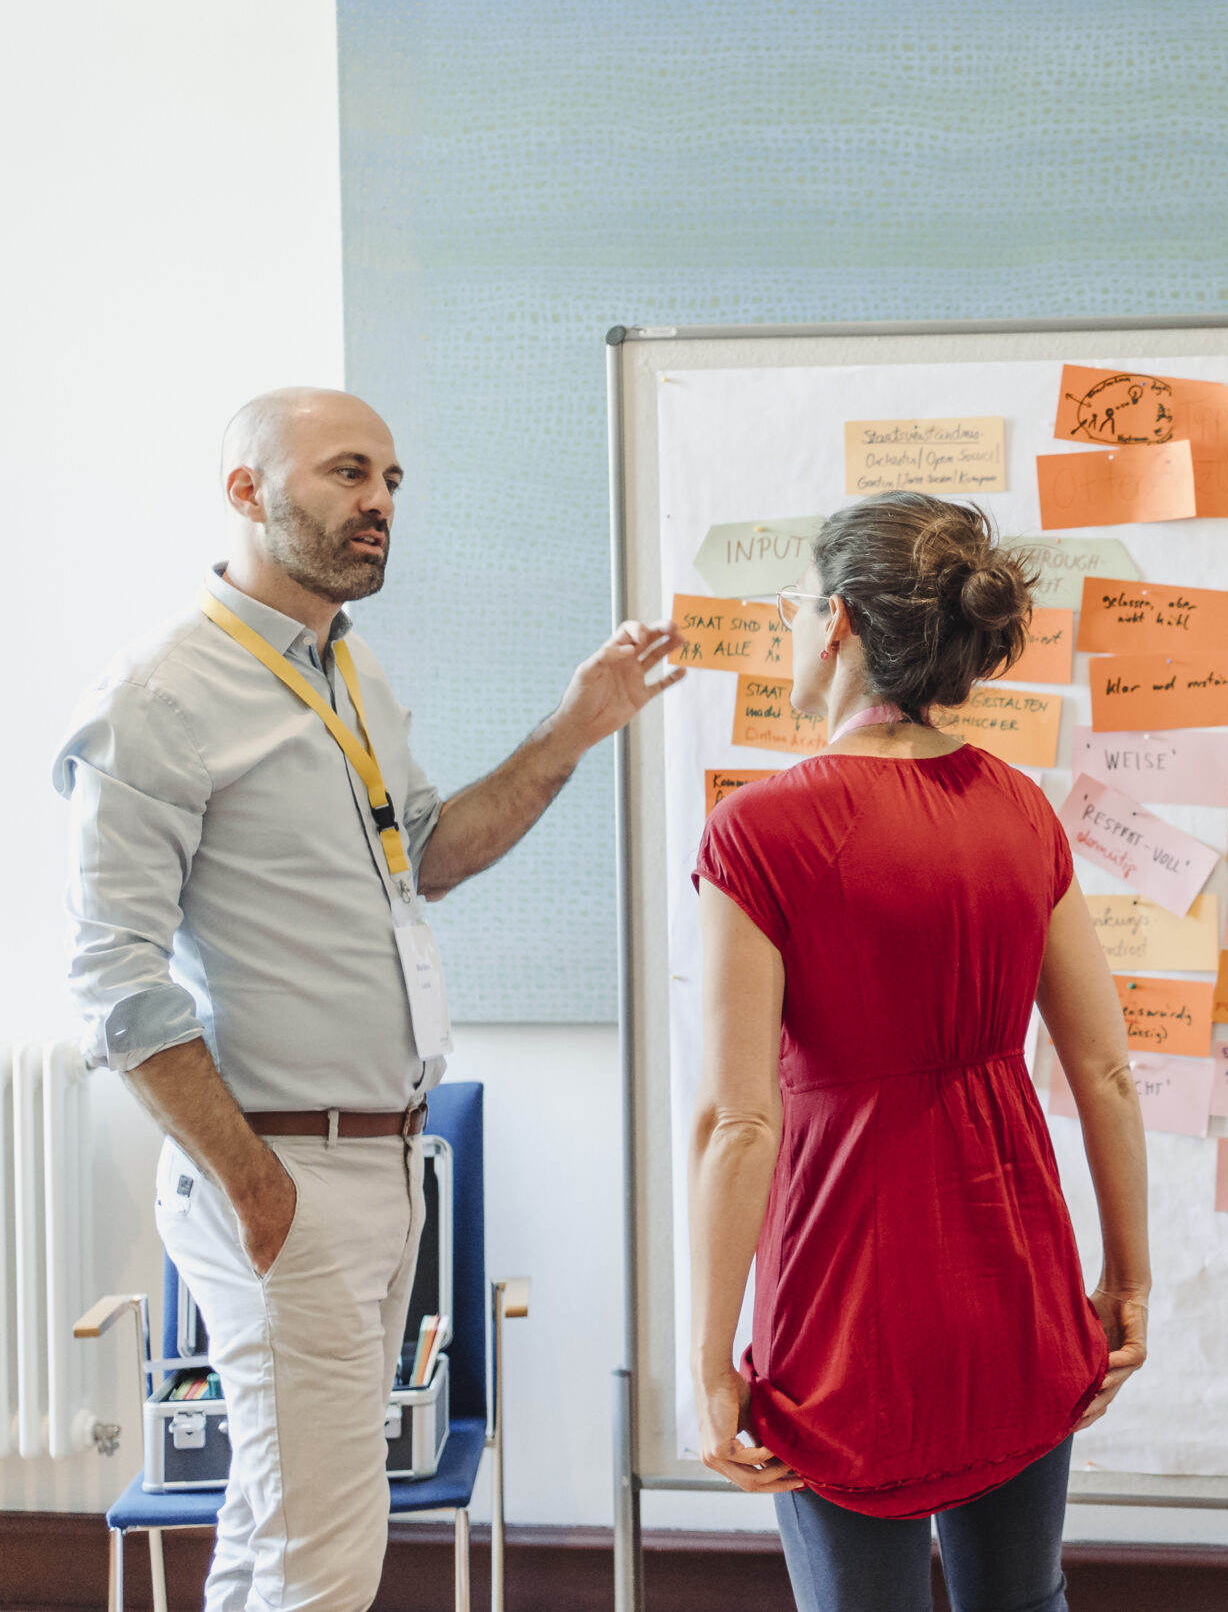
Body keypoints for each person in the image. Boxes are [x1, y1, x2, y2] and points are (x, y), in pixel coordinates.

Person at [57, 387, 685, 1612]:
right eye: (349, 474)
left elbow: (432, 854)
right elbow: (112, 978)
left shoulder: (346, 672)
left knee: (277, 1535)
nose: (380, 504)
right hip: (287, 1175)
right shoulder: (159, 700)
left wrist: (572, 728)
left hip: (383, 1172)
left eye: (393, 481)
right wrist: (257, 1187)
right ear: (246, 491)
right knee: (321, 1563)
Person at [688, 491, 1150, 1612]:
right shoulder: (1020, 812)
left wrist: (708, 1368)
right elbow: (1107, 1072)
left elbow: (739, 1123)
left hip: (845, 1314)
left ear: (839, 622)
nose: (797, 628)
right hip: (1017, 1291)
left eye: (800, 608)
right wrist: (1127, 1276)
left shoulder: (760, 831)